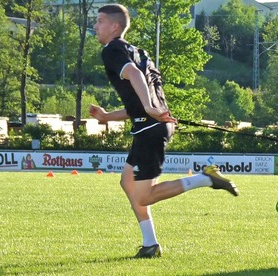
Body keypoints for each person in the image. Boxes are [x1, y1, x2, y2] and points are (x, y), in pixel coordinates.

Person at [90, 4, 239, 258]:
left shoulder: (112, 50)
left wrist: (148, 107)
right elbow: (138, 103)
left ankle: (206, 178)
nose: (95, 26)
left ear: (115, 26)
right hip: (152, 125)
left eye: (100, 21)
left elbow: (136, 79)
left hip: (150, 128)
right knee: (128, 183)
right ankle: (150, 244)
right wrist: (107, 117)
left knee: (145, 196)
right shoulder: (140, 52)